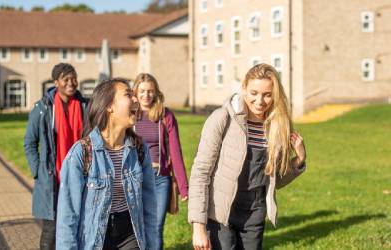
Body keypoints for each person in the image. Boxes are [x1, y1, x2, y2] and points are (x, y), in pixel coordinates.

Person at [188, 63, 307, 250]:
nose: (260, 101)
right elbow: (201, 172)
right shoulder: (222, 118)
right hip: (220, 214)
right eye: (254, 93)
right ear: (243, 88)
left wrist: (298, 161)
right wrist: (198, 227)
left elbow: (274, 180)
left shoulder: (277, 128)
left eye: (267, 94)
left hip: (254, 214)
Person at [56, 78, 158, 250]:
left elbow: (149, 205)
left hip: (130, 233)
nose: (136, 100)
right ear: (109, 106)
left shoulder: (139, 149)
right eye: (128, 95)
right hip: (94, 236)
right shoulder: (81, 153)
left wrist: (152, 245)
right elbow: (68, 216)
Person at [24, 63, 87, 250]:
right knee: (51, 231)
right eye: (65, 79)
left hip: (80, 176)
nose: (71, 82)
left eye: (73, 78)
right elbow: (29, 143)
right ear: (56, 82)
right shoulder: (42, 108)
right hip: (53, 179)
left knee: (78, 226)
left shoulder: (85, 106)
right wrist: (38, 171)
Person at [132, 73, 189, 249]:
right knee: (137, 227)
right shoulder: (130, 115)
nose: (146, 95)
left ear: (156, 92)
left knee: (156, 227)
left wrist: (183, 187)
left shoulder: (165, 116)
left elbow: (176, 152)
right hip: (135, 178)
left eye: (150, 91)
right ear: (135, 92)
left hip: (159, 179)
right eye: (142, 91)